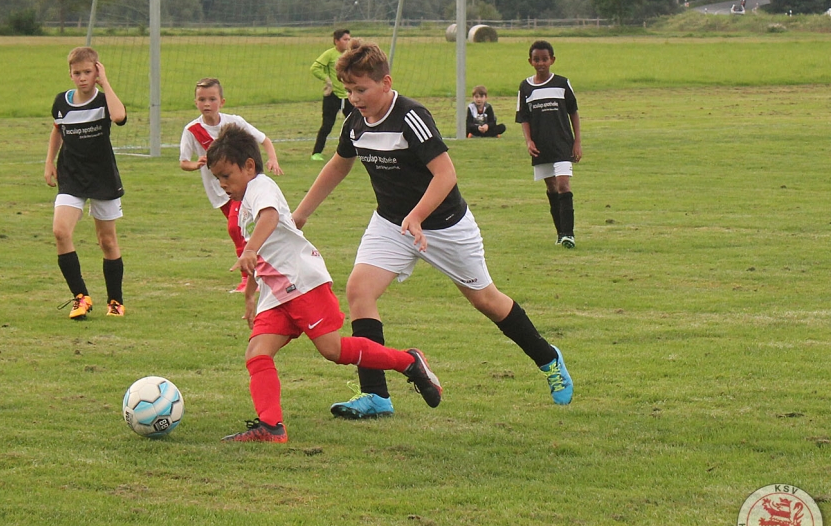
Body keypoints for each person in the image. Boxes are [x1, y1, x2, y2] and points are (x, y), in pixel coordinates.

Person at [293, 39, 573, 420]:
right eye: (349, 91)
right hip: (392, 223)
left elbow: (445, 174)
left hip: (445, 226)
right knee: (359, 290)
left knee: (486, 300)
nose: (354, 98)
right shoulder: (355, 122)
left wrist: (418, 215)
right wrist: (301, 215)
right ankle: (375, 394)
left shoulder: (411, 116)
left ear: (386, 83)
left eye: (361, 89)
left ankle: (548, 358)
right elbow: (339, 165)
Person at [205, 125, 442, 442]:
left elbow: (269, 218)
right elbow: (258, 255)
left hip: (302, 282)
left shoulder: (261, 187)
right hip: (276, 294)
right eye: (217, 178)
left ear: (249, 166)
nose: (222, 184)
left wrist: (249, 250)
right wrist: (251, 293)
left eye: (226, 176)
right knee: (257, 352)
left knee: (333, 350)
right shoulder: (242, 203)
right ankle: (271, 427)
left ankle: (409, 363)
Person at [44, 46, 128, 320]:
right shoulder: (61, 102)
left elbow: (119, 117)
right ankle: (81, 297)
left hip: (102, 177)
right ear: (70, 74)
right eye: (77, 73)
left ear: (97, 72)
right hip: (71, 176)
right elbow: (57, 130)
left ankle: (115, 301)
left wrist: (106, 84)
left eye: (88, 72)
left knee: (107, 241)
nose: (82, 78)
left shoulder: (105, 101)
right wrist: (49, 162)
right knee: (60, 231)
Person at [179, 78, 283, 292]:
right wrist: (195, 164)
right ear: (195, 102)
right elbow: (183, 162)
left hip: (242, 188)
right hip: (219, 193)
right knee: (246, 230)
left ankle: (248, 279)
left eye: (212, 99)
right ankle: (267, 270)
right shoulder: (192, 130)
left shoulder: (234, 124)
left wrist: (272, 159)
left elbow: (264, 140)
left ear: (222, 101)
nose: (207, 104)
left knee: (236, 228)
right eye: (202, 99)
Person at [516, 40, 582, 249]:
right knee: (552, 187)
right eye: (537, 59)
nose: (541, 63)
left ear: (552, 60)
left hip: (562, 144)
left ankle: (569, 234)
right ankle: (560, 232)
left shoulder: (562, 84)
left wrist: (577, 141)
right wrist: (529, 141)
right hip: (541, 147)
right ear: (530, 61)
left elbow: (573, 112)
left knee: (563, 184)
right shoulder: (526, 87)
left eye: (545, 59)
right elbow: (524, 118)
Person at [309, 28, 353, 161]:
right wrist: (327, 80)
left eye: (349, 39)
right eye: (345, 39)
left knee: (355, 124)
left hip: (350, 96)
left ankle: (357, 151)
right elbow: (315, 68)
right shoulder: (329, 54)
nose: (348, 42)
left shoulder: (351, 55)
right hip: (333, 96)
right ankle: (316, 153)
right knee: (327, 125)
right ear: (336, 41)